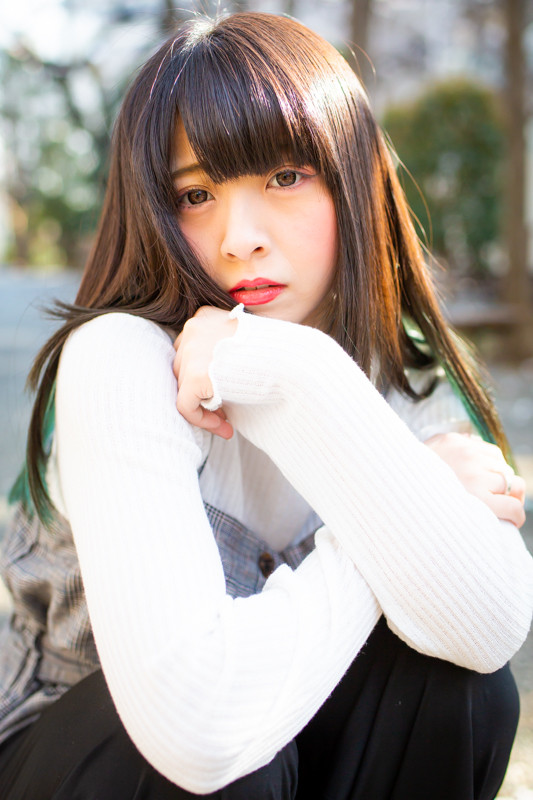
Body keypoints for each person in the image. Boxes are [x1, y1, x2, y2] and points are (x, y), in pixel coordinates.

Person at [0, 11, 532, 800]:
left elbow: (489, 628)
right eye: (195, 194)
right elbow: (197, 729)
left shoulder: (407, 365)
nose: (238, 237)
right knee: (237, 765)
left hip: (280, 744)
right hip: (90, 763)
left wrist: (297, 376)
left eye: (284, 177)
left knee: (452, 688)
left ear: (352, 178)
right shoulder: (120, 357)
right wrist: (406, 505)